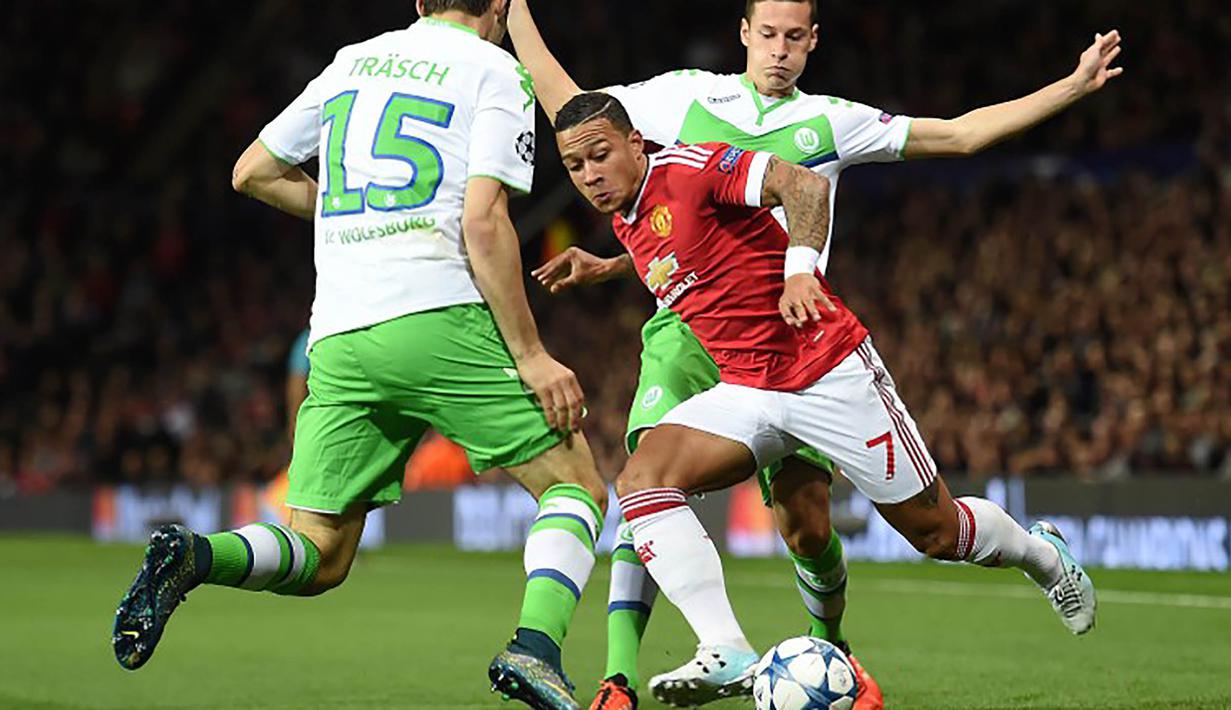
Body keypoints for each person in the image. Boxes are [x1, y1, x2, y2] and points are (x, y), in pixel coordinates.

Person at [507, 0, 1122, 706]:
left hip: (825, 370)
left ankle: (1040, 554)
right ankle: (725, 648)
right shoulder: (656, 148)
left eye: (791, 36)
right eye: (574, 163)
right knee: (642, 480)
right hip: (745, 384)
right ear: (743, 33)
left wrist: (800, 266)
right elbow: (575, 111)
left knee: (936, 531)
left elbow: (808, 182)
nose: (585, 173)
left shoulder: (735, 148)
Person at [111, 3, 606, 708]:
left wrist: (354, 214)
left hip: (337, 335)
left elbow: (251, 171)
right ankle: (536, 648)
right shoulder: (496, 70)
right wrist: (529, 353)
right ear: (497, 8)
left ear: (418, 3)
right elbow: (482, 220)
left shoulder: (353, 61)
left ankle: (193, 556)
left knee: (317, 552)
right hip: (435, 314)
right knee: (576, 487)